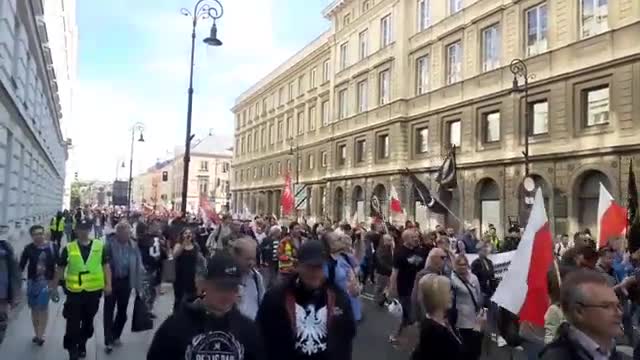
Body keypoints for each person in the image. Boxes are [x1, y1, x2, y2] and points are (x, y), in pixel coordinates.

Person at [147, 252, 265, 360]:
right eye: (220, 287)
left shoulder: (248, 330)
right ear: (204, 284)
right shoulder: (174, 327)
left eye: (233, 288)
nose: (227, 294)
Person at [256, 240, 356, 360]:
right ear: (298, 266)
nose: (314, 272)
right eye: (309, 267)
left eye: (319, 267)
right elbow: (261, 336)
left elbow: (347, 337)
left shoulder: (338, 297)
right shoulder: (276, 297)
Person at [53, 218, 111, 360]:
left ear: (89, 229)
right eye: (80, 229)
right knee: (72, 323)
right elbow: (60, 268)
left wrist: (108, 284)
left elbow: (105, 267)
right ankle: (72, 350)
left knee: (88, 324)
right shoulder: (69, 247)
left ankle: (82, 343)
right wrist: (54, 287)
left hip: (93, 292)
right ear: (76, 230)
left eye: (86, 228)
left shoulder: (99, 246)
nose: (83, 232)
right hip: (74, 293)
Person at [540, 270, 623, 360]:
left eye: (618, 306)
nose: (619, 313)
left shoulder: (618, 355)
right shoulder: (556, 357)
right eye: (606, 306)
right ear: (579, 312)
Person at [103, 222, 144, 354]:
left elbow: (139, 264)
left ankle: (116, 334)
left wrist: (139, 286)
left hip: (126, 282)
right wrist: (106, 283)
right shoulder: (109, 244)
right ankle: (108, 340)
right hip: (112, 281)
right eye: (126, 233)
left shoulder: (133, 245)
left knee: (123, 312)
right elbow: (105, 264)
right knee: (108, 311)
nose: (128, 235)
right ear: (118, 233)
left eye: (129, 233)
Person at [19, 225, 58, 345]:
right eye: (36, 234)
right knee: (34, 309)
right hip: (32, 282)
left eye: (41, 233)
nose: (39, 236)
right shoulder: (28, 248)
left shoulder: (52, 247)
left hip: (46, 282)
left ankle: (41, 335)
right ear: (31, 236)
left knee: (43, 308)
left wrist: (55, 284)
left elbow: (59, 267)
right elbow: (21, 266)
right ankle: (37, 333)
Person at [387, 228, 426, 344]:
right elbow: (395, 273)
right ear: (406, 239)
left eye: (417, 237)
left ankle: (420, 336)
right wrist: (392, 289)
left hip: (419, 287)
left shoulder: (420, 250)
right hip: (404, 288)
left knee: (419, 314)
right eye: (413, 237)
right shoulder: (399, 253)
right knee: (405, 314)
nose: (416, 239)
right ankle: (395, 334)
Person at [411, 274, 463, 360]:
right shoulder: (436, 332)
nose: (452, 295)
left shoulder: (437, 321)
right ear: (439, 297)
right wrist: (477, 330)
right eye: (449, 291)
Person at [451, 254, 484, 360]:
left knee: (478, 344)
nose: (462, 267)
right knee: (467, 346)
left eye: (464, 264)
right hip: (462, 319)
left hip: (476, 316)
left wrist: (482, 310)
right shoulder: (452, 279)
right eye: (460, 264)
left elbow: (479, 294)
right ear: (455, 265)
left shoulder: (473, 277)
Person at [173, 228, 206, 311]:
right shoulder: (178, 245)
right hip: (179, 275)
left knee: (191, 296)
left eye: (189, 233)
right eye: (185, 233)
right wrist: (184, 244)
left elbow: (200, 259)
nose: (188, 235)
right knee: (179, 297)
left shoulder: (195, 246)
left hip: (192, 274)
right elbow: (175, 255)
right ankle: (177, 314)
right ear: (182, 235)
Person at [232, 237, 265, 320]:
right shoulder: (225, 278)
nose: (251, 263)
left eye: (253, 259)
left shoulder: (256, 277)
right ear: (235, 256)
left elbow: (262, 303)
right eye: (247, 259)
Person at [411, 247, 447, 321]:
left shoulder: (439, 273)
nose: (444, 260)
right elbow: (420, 299)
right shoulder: (425, 275)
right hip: (429, 319)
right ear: (434, 259)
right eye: (442, 257)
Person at [0, 225, 21, 346]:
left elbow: (15, 273)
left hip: (2, 293)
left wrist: (16, 294)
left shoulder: (6, 248)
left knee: (2, 321)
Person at [374, 234, 394, 307]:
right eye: (389, 240)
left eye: (391, 240)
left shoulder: (390, 248)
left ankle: (384, 298)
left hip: (389, 271)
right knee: (380, 286)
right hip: (382, 271)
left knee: (388, 286)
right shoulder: (380, 249)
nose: (391, 241)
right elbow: (381, 261)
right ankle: (378, 299)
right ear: (384, 240)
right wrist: (390, 268)